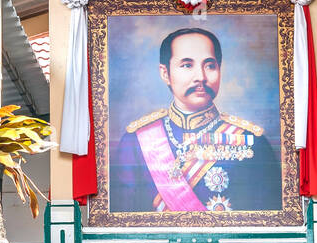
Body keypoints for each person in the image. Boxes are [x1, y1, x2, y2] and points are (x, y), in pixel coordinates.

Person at [111, 27, 280, 213]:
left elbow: (265, 223)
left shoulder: (253, 141)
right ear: (165, 73)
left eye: (210, 65)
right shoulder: (135, 142)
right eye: (187, 65)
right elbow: (123, 220)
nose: (201, 77)